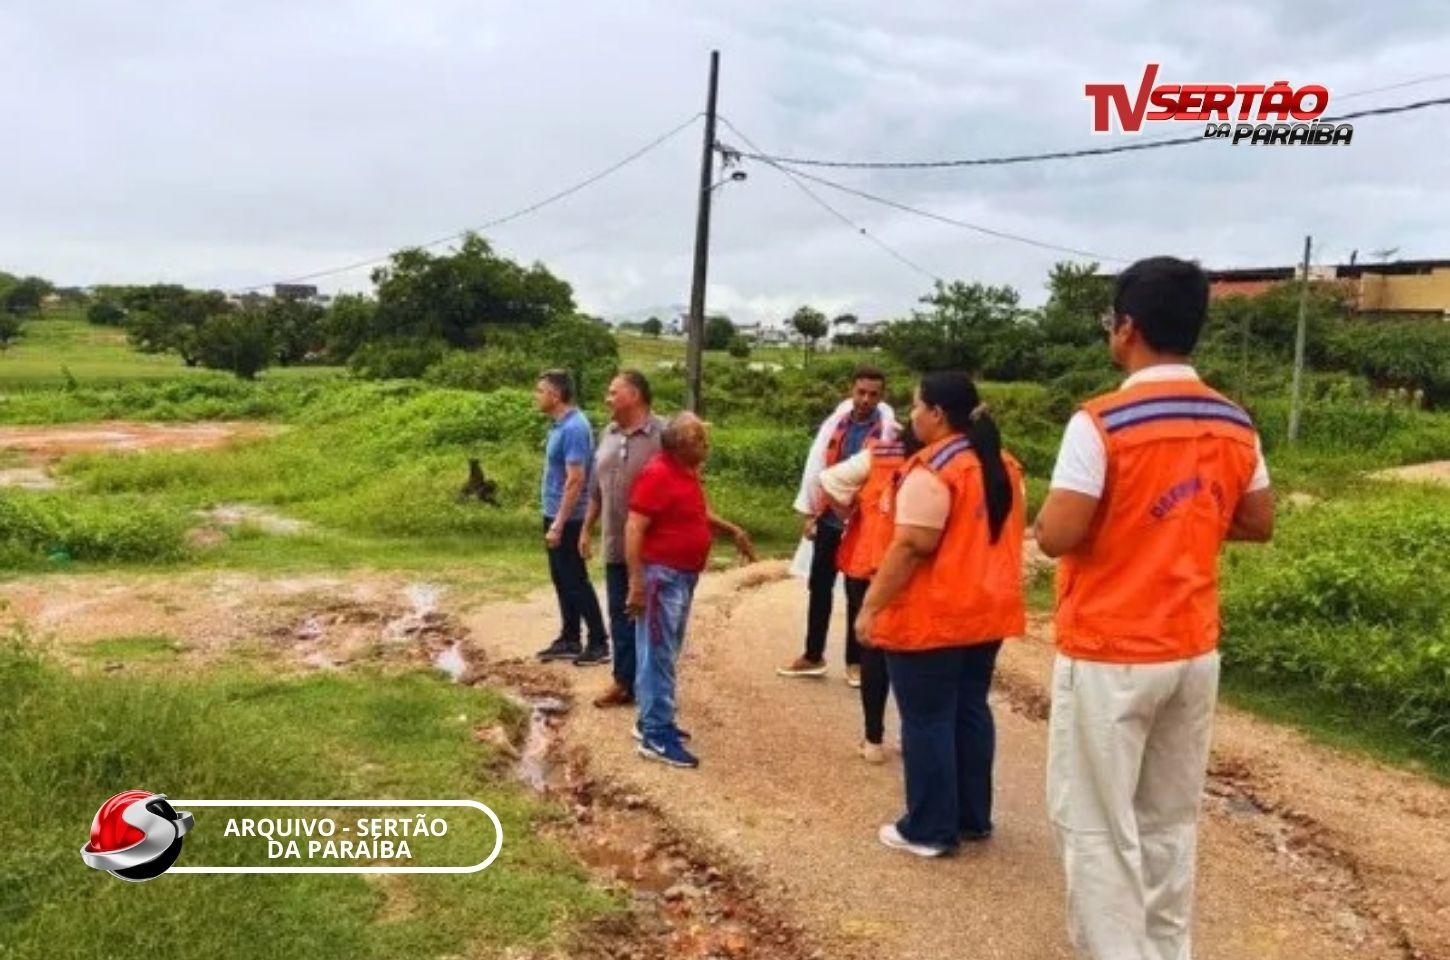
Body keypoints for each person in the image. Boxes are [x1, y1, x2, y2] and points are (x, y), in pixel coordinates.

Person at [1035, 256, 1274, 960]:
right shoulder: (1235, 422)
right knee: (1168, 824)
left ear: (1127, 328)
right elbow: (1257, 521)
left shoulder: (1102, 421)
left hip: (1112, 652)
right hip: (1192, 649)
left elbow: (1057, 534)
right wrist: (1179, 522)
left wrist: (1123, 519)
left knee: (1098, 828)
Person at [856, 371, 1025, 858]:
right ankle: (972, 817)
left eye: (916, 406)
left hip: (935, 617)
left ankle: (929, 827)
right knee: (970, 709)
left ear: (938, 414)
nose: (911, 415)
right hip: (984, 613)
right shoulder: (1003, 465)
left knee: (927, 718)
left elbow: (910, 546)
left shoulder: (933, 470)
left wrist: (870, 608)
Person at [625, 413, 756, 769]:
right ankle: (656, 734)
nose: (706, 445)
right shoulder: (657, 474)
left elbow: (696, 512)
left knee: (665, 650)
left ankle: (649, 720)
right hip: (660, 578)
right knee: (658, 654)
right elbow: (634, 528)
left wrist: (732, 530)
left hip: (682, 575)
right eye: (700, 439)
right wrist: (636, 583)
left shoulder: (685, 471)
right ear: (680, 445)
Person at [779, 366, 898, 685]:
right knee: (819, 587)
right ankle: (813, 654)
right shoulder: (835, 426)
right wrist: (810, 514)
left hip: (864, 524)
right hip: (829, 519)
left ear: (881, 396)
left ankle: (855, 661)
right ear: (851, 390)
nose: (865, 399)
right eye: (861, 392)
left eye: (873, 394)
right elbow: (816, 467)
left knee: (857, 590)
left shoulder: (889, 432)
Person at [815, 426, 921, 763]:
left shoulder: (878, 455)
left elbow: (830, 480)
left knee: (873, 653)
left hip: (870, 560)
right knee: (916, 652)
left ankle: (873, 740)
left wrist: (852, 514)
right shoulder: (941, 461)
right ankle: (911, 734)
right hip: (916, 568)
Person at [581, 370, 663, 702]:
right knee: (619, 613)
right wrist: (586, 528)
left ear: (634, 395)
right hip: (616, 544)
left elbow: (687, 483)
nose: (607, 398)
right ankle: (623, 682)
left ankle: (652, 688)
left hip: (654, 547)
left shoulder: (664, 435)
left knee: (652, 620)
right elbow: (596, 491)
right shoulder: (609, 433)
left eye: (613, 392)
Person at [533, 370, 609, 664]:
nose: (536, 396)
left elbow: (576, 480)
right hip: (554, 513)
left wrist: (559, 523)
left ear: (555, 395)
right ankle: (570, 637)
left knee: (575, 579)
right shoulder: (559, 425)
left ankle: (599, 641)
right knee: (561, 578)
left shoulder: (574, 428)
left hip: (568, 518)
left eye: (540, 391)